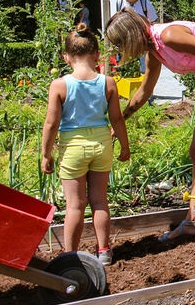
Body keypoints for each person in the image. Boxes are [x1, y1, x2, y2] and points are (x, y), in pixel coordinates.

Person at [105, 9, 195, 241]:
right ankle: (193, 222)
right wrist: (120, 121)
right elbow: (145, 91)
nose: (118, 51)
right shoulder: (154, 53)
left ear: (130, 37)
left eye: (119, 44)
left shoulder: (168, 36)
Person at [41, 23, 130, 265]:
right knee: (100, 200)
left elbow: (51, 123)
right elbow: (117, 118)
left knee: (75, 205)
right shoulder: (107, 82)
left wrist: (45, 154)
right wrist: (124, 146)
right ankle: (104, 252)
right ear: (96, 55)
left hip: (73, 147)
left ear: (66, 57)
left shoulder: (60, 85)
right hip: (102, 144)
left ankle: (70, 257)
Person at [115, 0, 158, 73]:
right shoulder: (118, 2)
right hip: (123, 44)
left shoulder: (145, 4)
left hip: (141, 45)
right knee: (123, 71)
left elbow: (154, 23)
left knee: (143, 72)